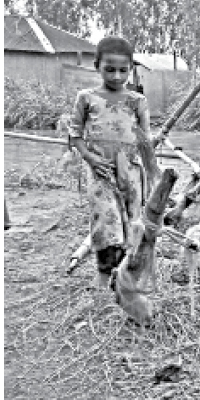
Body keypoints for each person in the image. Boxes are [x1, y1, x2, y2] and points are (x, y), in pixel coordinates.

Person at [66, 36, 158, 292]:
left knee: (132, 223)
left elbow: (145, 140)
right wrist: (91, 158)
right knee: (106, 223)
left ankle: (126, 278)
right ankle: (103, 277)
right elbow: (75, 135)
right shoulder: (86, 98)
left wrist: (153, 172)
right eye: (110, 69)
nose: (117, 76)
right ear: (97, 66)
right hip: (101, 172)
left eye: (123, 70)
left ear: (130, 69)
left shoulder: (137, 101)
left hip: (131, 171)